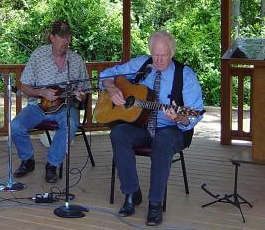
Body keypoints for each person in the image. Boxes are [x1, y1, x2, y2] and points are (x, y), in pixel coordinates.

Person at [100, 30, 204, 226]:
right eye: (155, 55)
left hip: (172, 131)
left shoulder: (185, 75)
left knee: (162, 141)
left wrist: (179, 116)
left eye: (164, 55)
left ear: (172, 53)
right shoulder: (141, 64)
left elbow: (194, 114)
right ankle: (131, 193)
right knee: (119, 133)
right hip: (142, 126)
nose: (159, 60)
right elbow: (107, 74)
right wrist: (111, 87)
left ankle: (155, 204)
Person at [11, 20, 90, 183]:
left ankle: (52, 165)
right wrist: (41, 92)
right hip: (38, 106)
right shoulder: (38, 56)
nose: (66, 41)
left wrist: (81, 96)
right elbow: (24, 86)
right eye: (62, 37)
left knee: (70, 125)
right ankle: (27, 160)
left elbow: (85, 90)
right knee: (15, 126)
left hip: (64, 108)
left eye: (68, 37)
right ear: (52, 38)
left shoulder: (76, 60)